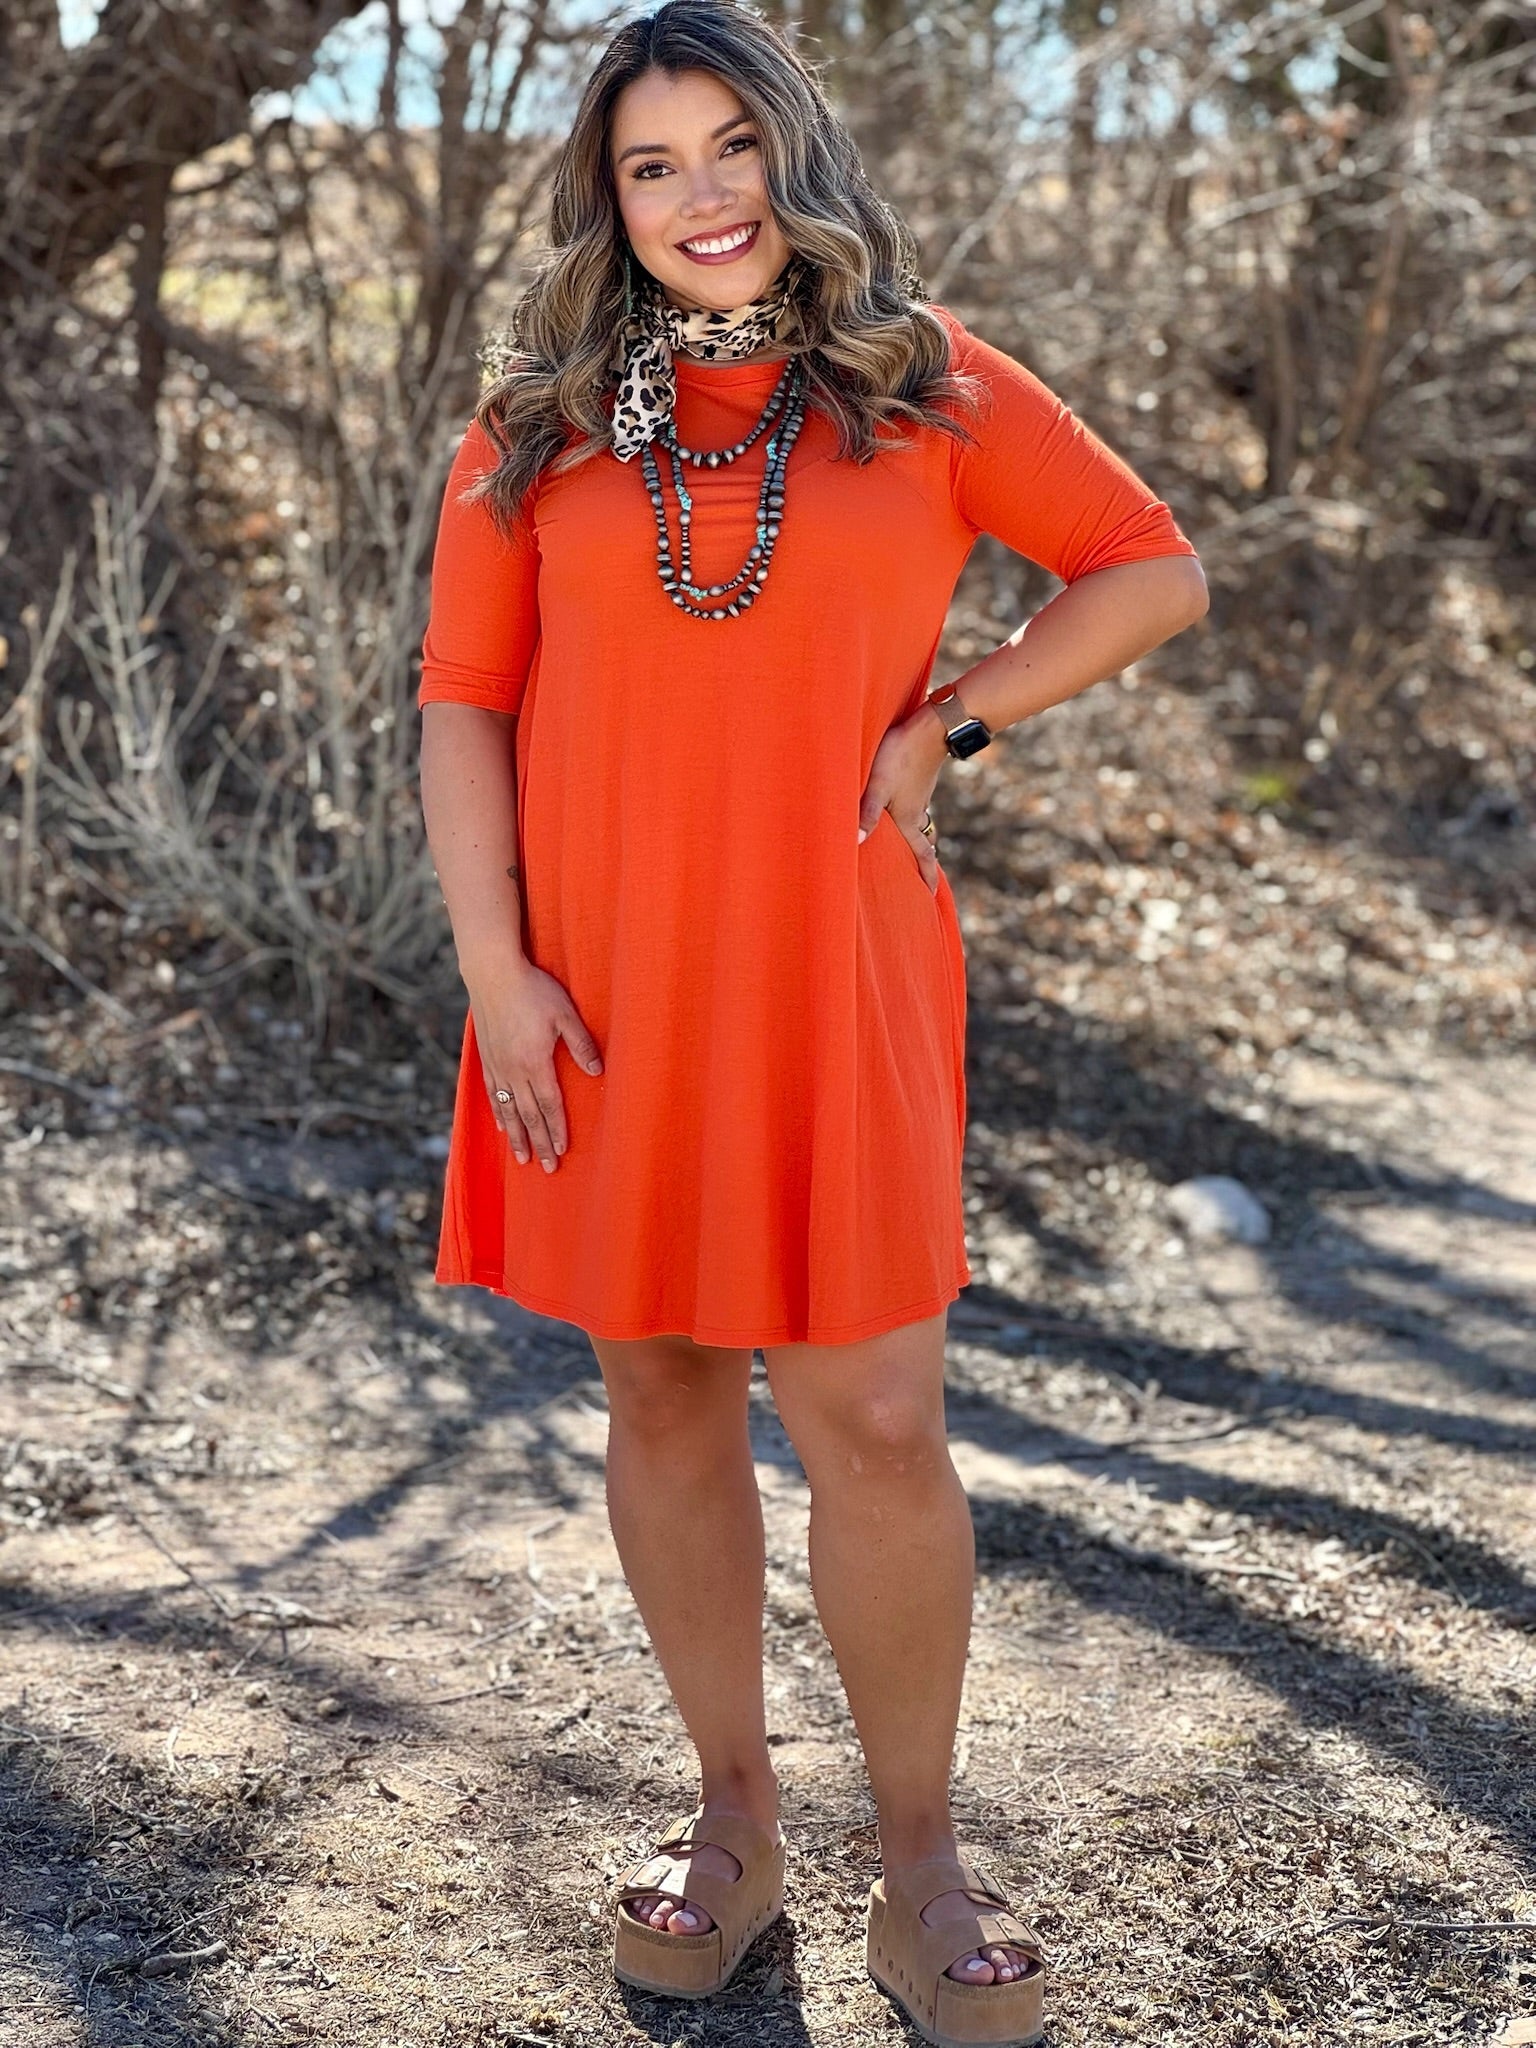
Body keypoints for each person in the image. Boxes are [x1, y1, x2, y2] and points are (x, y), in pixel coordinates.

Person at [416, 2, 1206, 2039]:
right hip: (599, 983)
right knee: (666, 1390)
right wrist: (497, 966)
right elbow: (464, 701)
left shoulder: (923, 384)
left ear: (796, 151)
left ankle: (920, 1864)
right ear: (607, 196)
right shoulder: (536, 426)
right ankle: (735, 1814)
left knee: (875, 1418)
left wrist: (952, 722)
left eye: (732, 147)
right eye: (651, 164)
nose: (702, 197)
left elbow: (1146, 568)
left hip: (839, 971)